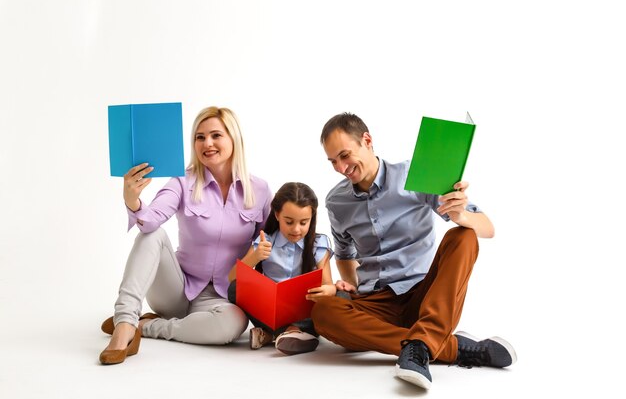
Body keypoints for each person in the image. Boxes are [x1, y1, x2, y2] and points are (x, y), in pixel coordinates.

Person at [311, 112, 516, 390]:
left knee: (464, 236)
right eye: (333, 161)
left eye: (344, 155)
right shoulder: (337, 201)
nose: (340, 167)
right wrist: (353, 288)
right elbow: (344, 254)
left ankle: (423, 341)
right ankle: (445, 345)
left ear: (367, 140)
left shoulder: (415, 175)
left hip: (425, 296)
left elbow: (487, 228)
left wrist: (461, 215)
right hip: (377, 301)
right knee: (324, 312)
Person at [99, 106, 272, 365]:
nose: (207, 143)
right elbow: (149, 222)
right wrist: (132, 200)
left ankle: (148, 327)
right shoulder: (183, 181)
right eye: (199, 137)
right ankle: (125, 322)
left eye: (216, 135)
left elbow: (270, 245)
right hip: (176, 289)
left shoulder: (259, 190)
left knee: (233, 325)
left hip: (222, 298)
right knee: (152, 235)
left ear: (233, 138)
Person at [227, 182, 335, 355]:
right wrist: (255, 257)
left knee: (341, 297)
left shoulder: (318, 244)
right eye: (289, 222)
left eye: (304, 222)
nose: (296, 229)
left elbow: (329, 285)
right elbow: (232, 278)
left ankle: (275, 334)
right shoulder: (265, 240)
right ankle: (292, 333)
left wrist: (328, 290)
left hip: (303, 310)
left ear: (312, 218)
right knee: (235, 288)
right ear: (277, 215)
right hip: (270, 311)